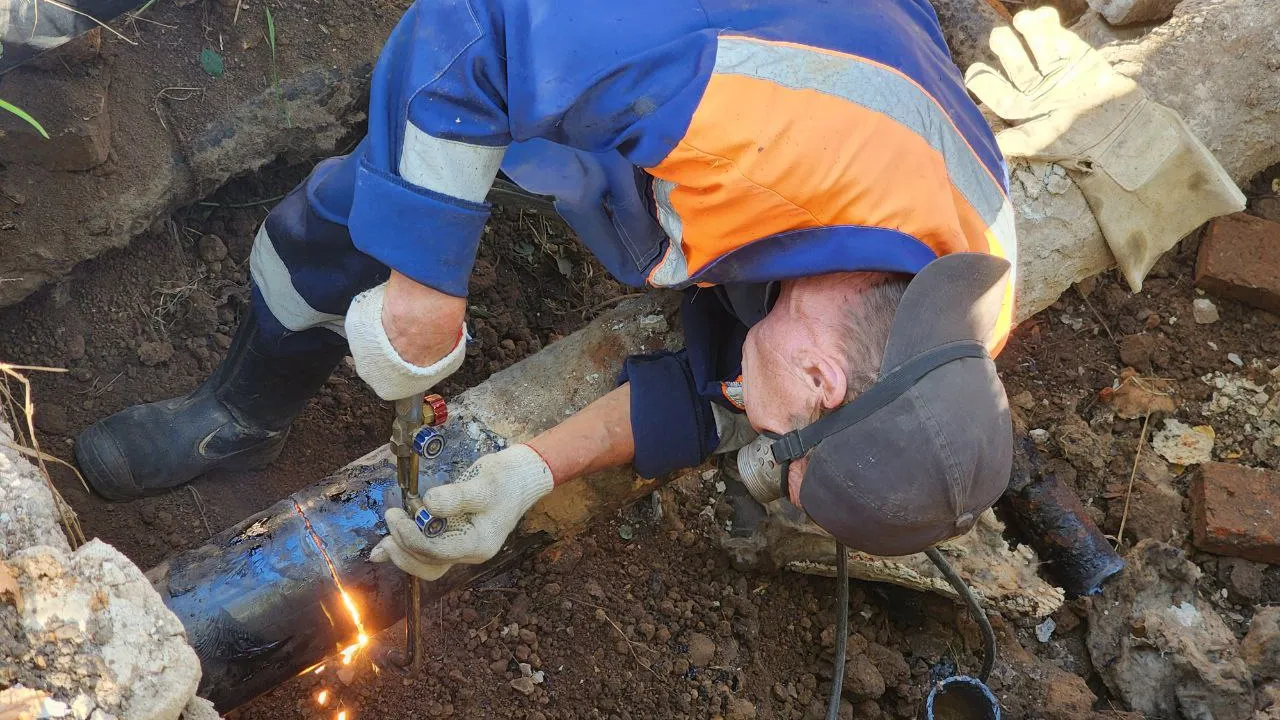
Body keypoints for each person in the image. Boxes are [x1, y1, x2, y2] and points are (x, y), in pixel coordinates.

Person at [75, 0, 1018, 579]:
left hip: (743, 92)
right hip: (649, 37)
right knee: (353, 210)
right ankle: (240, 409)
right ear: (822, 381)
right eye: (776, 442)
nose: (747, 422)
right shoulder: (732, 115)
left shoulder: (950, 329)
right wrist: (421, 281)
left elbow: (725, 389)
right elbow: (467, 33)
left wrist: (534, 471)